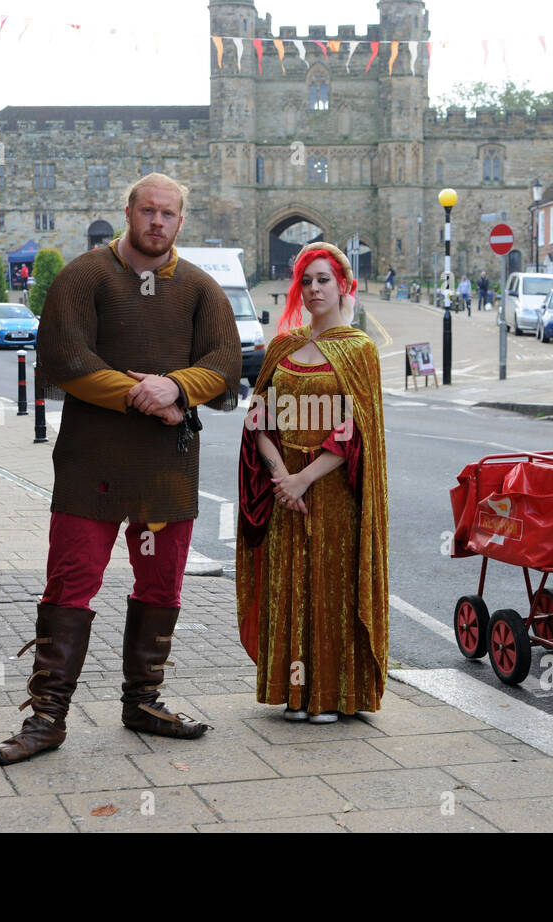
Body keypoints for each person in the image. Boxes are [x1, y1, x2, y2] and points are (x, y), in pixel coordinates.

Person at [0, 173, 241, 764]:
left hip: (165, 465)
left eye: (169, 213)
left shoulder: (201, 289)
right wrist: (142, 395)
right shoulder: (86, 276)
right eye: (147, 210)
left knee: (160, 585)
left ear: (182, 220)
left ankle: (143, 700)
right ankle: (47, 717)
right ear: (128, 211)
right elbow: (66, 359)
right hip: (91, 460)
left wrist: (177, 385)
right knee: (71, 584)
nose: (157, 221)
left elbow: (225, 364)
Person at [236, 242, 389, 723]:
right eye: (306, 280)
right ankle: (294, 693)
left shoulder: (360, 349)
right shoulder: (282, 346)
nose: (314, 288)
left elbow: (355, 429)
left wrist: (303, 478)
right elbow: (258, 417)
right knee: (291, 585)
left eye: (324, 279)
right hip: (286, 487)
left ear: (344, 285)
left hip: (332, 489)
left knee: (329, 586)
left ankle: (330, 694)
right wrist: (282, 477)